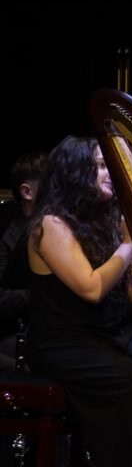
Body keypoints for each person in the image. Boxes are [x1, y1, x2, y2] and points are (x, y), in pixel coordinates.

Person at [26, 136, 132, 467]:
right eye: (100, 165)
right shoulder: (50, 224)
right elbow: (92, 288)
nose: (110, 173)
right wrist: (129, 244)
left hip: (107, 338)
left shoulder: (103, 222)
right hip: (64, 343)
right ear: (75, 171)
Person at [1, 151, 45, 371]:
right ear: (27, 192)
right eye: (50, 183)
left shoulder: (56, 225)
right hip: (10, 331)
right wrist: (40, 294)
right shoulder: (7, 233)